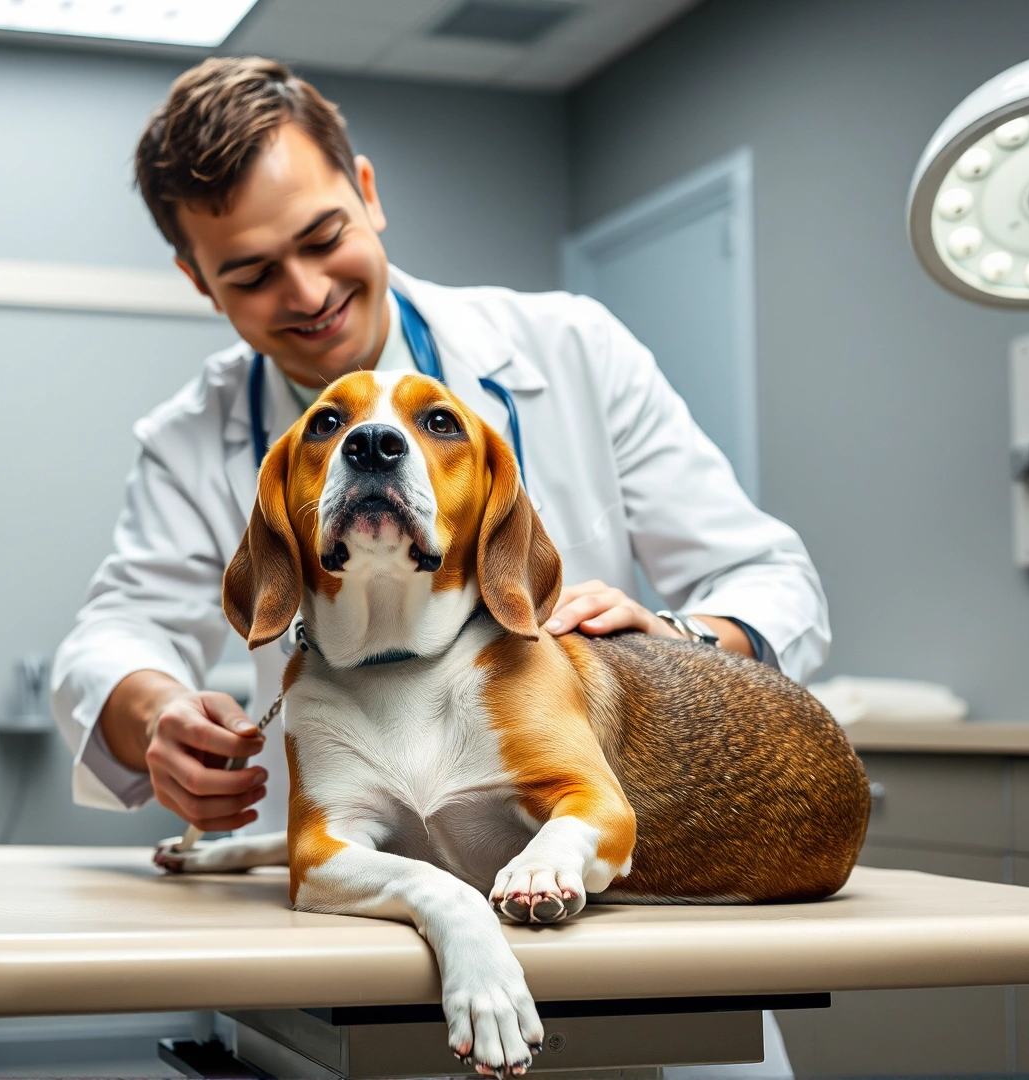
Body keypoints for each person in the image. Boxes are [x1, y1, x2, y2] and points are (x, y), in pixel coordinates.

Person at [52, 56, 829, 841]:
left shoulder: (571, 349)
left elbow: (769, 578)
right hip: (370, 878)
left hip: (585, 856)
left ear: (368, 191)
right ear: (197, 280)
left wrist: (681, 644)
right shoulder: (187, 441)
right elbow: (116, 633)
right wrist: (155, 713)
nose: (309, 293)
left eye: (324, 238)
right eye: (252, 276)